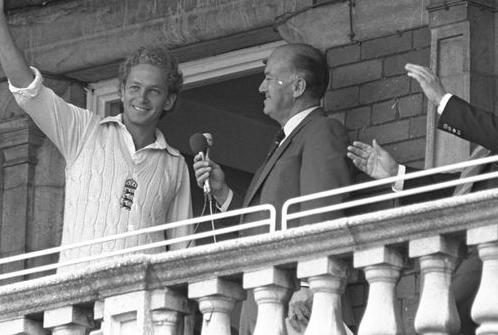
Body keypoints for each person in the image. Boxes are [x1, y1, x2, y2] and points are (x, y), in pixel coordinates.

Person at [0, 0, 192, 267]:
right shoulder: (85, 131)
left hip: (142, 307)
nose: (142, 98)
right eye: (135, 88)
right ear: (121, 91)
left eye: (154, 91)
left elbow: (182, 251)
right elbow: (28, 91)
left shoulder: (174, 165)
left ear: (169, 100)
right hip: (80, 304)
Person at [194, 43, 356, 334]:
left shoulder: (322, 131)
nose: (260, 87)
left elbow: (323, 211)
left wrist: (310, 286)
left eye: (269, 77)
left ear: (297, 87)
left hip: (298, 306)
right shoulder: (286, 139)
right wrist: (223, 194)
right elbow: (264, 221)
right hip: (267, 304)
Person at [347, 63, 494, 335]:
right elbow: (457, 190)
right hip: (469, 251)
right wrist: (397, 174)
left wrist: (443, 100)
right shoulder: (488, 149)